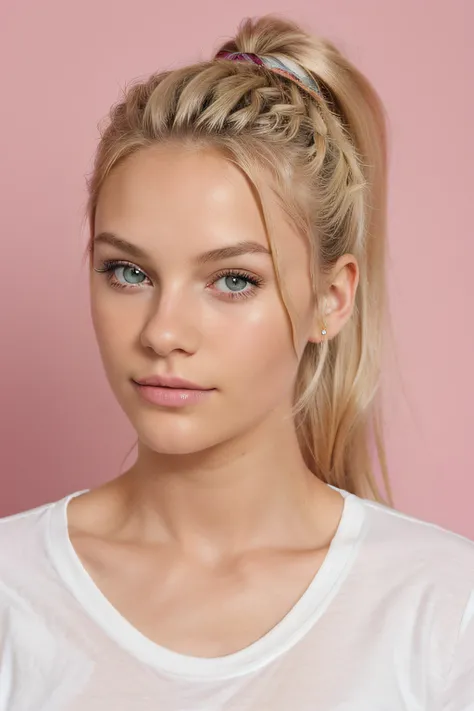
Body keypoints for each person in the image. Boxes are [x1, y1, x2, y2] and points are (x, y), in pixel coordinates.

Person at [0, 13, 472, 710]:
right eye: (129, 271)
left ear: (332, 299)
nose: (164, 331)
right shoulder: (13, 590)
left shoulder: (443, 610)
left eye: (233, 280)